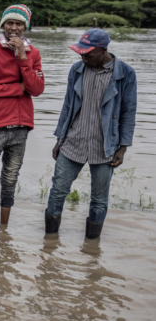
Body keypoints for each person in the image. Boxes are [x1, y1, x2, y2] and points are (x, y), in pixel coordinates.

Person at [45, 28, 137, 239]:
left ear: (103, 50)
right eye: (81, 53)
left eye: (88, 54)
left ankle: (91, 247)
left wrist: (123, 148)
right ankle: (48, 243)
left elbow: (128, 112)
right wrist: (60, 139)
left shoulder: (125, 74)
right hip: (73, 142)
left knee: (99, 199)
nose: (83, 57)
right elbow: (67, 106)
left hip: (105, 146)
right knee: (57, 191)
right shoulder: (77, 69)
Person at [0, 4, 45, 226]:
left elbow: (37, 89)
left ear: (25, 27)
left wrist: (23, 56)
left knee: (11, 180)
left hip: (21, 127)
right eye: (10, 23)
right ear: (3, 24)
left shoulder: (33, 53)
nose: (14, 27)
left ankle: (4, 231)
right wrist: (18, 89)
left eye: (19, 24)